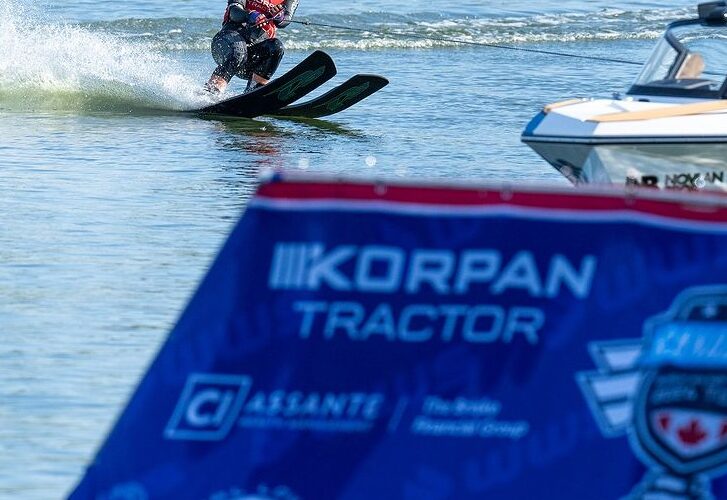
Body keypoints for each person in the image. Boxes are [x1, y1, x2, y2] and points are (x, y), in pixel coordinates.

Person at [205, 0, 299, 95]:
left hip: (252, 58)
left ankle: (254, 92)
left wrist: (280, 17)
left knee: (276, 47)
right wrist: (250, 15)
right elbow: (234, 12)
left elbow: (286, 20)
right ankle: (211, 92)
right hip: (226, 45)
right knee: (239, 50)